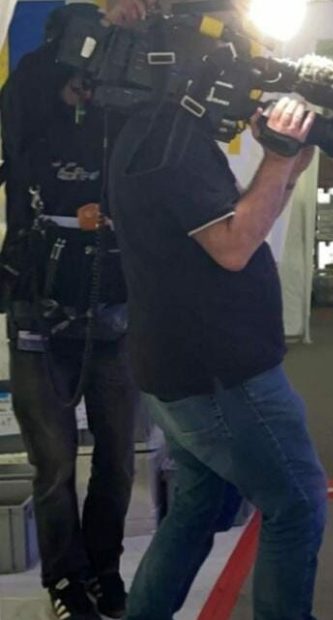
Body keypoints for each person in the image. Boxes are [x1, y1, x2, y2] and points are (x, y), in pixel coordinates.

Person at [108, 51, 328, 620]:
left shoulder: (155, 134)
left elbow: (244, 220)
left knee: (199, 508)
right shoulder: (173, 146)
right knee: (296, 504)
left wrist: (286, 167)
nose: (249, 98)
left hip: (179, 363)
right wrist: (277, 157)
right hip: (220, 375)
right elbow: (233, 247)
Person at [0, 2, 152, 618]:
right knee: (54, 462)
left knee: (118, 455)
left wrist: (130, 41)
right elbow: (25, 103)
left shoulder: (127, 99)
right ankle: (65, 579)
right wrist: (82, 44)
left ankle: (104, 567)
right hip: (39, 306)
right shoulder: (31, 93)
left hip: (114, 303)